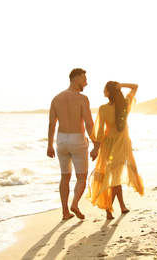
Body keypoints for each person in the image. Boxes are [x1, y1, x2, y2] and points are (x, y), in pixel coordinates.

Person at [87, 81, 144, 219]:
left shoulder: (103, 109)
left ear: (109, 92)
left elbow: (99, 132)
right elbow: (135, 86)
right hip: (122, 143)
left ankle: (109, 209)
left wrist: (96, 148)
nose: (103, 91)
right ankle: (120, 206)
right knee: (116, 175)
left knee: (115, 175)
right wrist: (122, 85)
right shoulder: (125, 104)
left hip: (109, 144)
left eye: (104, 89)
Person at [47, 68, 98, 220]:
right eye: (84, 81)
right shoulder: (82, 99)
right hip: (77, 139)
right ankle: (74, 204)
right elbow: (89, 124)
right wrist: (96, 144)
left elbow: (51, 124)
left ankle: (65, 213)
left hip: (61, 139)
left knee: (65, 177)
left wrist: (50, 145)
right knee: (81, 177)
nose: (86, 84)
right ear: (76, 81)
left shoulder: (56, 98)